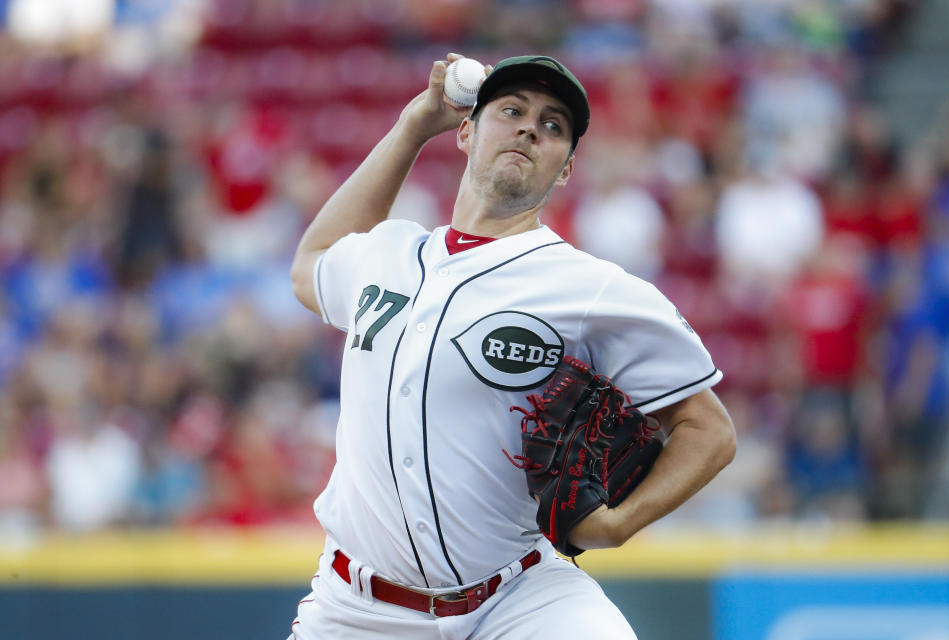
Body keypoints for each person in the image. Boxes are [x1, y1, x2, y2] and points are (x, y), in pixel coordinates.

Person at [287, 53, 736, 639]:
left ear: (567, 167)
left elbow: (710, 429)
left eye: (553, 125)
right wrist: (413, 127)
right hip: (354, 611)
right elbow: (310, 265)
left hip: (518, 600)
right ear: (467, 131)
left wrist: (619, 524)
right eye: (511, 110)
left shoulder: (590, 288)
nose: (530, 127)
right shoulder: (387, 255)